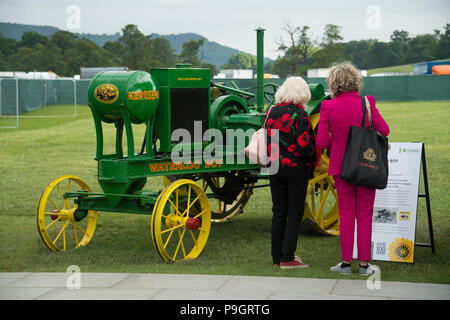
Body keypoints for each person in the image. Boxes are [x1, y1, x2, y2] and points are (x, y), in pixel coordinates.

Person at [316, 62, 390, 275]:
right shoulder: (367, 102)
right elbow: (384, 129)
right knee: (365, 214)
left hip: (341, 167)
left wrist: (337, 141)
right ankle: (365, 265)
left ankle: (347, 263)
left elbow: (321, 141)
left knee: (346, 214)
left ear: (334, 83)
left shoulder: (328, 106)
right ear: (355, 80)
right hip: (367, 164)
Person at [266, 76, 319, 269]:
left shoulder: (271, 112)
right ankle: (287, 258)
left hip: (274, 167)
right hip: (295, 169)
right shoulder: (300, 115)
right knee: (294, 212)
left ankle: (276, 258)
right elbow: (304, 144)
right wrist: (312, 160)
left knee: (278, 212)